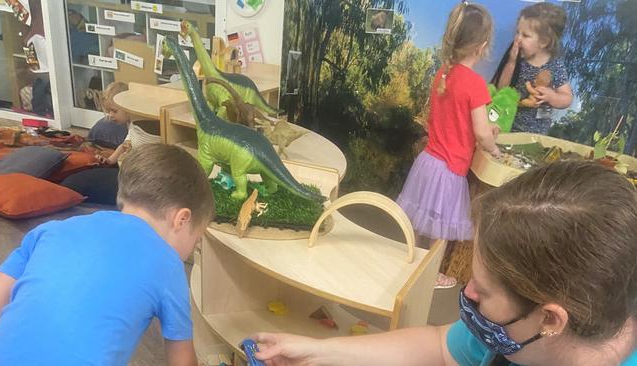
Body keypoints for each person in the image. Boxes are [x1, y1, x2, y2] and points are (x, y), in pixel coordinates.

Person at [251, 160, 637, 366]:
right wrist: (319, 352)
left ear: (550, 319)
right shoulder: (509, 336)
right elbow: (441, 345)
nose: (466, 292)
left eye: (483, 293)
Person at [0, 144, 215, 366]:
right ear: (182, 219)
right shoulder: (168, 263)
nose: (192, 248)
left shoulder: (53, 229)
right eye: (195, 240)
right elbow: (182, 362)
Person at [396, 2, 500, 288]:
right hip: (450, 168)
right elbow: (480, 132)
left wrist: (482, 130)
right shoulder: (476, 84)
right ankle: (430, 274)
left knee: (419, 218)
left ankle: (410, 264)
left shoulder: (443, 73)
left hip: (428, 162)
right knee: (440, 229)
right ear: (482, 46)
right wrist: (493, 146)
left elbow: (453, 118)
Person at [493, 3, 573, 134]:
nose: (517, 39)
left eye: (525, 35)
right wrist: (511, 63)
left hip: (536, 134)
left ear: (544, 42)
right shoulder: (517, 58)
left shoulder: (555, 65)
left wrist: (552, 97)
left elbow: (567, 98)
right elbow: (501, 89)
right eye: (517, 32)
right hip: (507, 127)